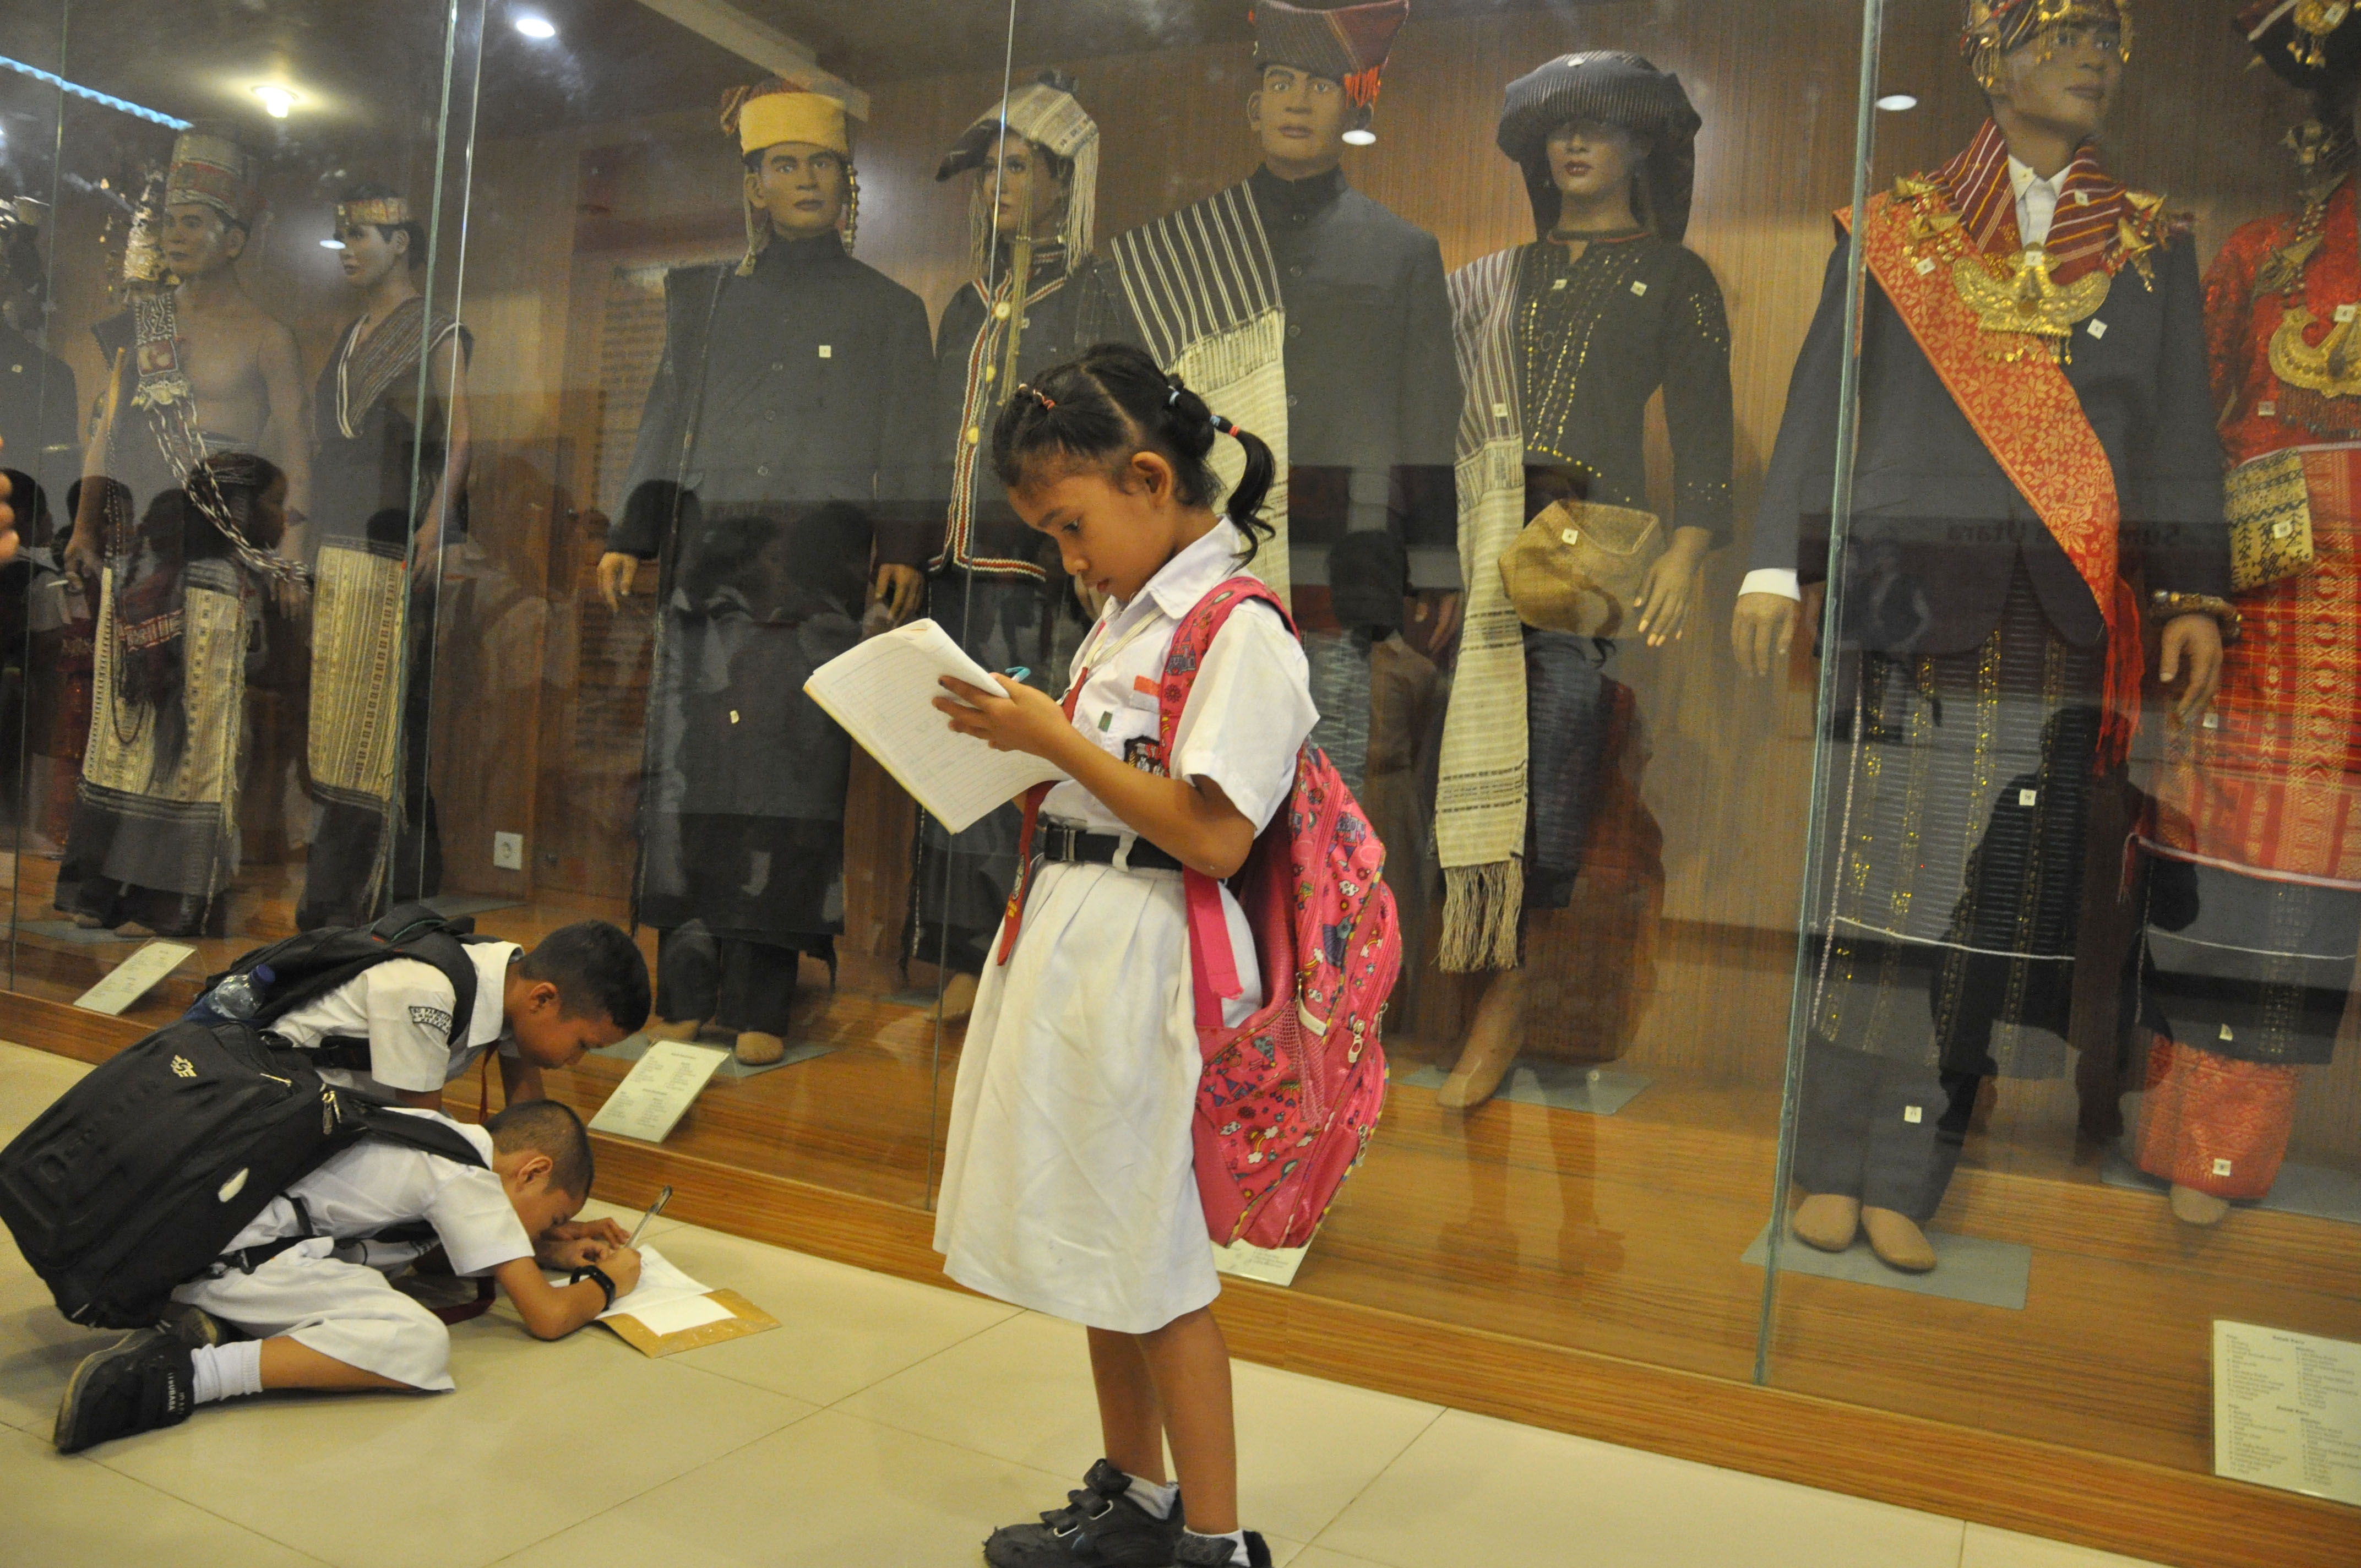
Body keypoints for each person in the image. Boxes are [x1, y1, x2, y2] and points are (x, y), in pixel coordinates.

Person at [1738, 0, 2231, 1272]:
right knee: (1867, 885)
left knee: (1992, 902)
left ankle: (1913, 1161)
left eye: (2109, 43)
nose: (2093, 59)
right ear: (1991, 59)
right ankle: (1825, 1154)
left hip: (2055, 620)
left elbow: (2176, 437)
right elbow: (1820, 406)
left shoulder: (2148, 243)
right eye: (2063, 34)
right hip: (1901, 606)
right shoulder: (1898, 225)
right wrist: (1768, 567)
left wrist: (2186, 595)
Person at [930, 342, 1315, 1568]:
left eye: (1070, 523)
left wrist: (1059, 739)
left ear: (1150, 478)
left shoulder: (1238, 626)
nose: (1068, 555)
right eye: (1049, 534)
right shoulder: (1123, 616)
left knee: (1153, 1248)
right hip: (1075, 927)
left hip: (1155, 953)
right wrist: (1023, 735)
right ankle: (1133, 1496)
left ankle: (1215, 1536)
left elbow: (1211, 831)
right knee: (1103, 1236)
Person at [597, 80, 934, 1065]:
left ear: (845, 182)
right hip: (705, 575)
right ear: (752, 184)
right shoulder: (702, 298)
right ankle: (686, 986)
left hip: (813, 585)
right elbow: (666, 420)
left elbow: (910, 447)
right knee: (689, 779)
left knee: (790, 784)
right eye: (782, 165)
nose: (802, 181)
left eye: (819, 165)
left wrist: (903, 550)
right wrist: (634, 531)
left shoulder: (887, 309)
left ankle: (762, 999)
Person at [1433, 50, 1731, 1106]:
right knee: (1446, 768)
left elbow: (1702, 433)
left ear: (1638, 145)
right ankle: (1447, 988)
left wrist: (1688, 552)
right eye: (1558, 129)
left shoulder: (1676, 277)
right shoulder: (1490, 280)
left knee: (1550, 787)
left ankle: (1509, 1001)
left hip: (1585, 559)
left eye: (1598, 128)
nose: (1573, 144)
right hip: (1469, 547)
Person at [2131, 2, 2361, 1224]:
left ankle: (2229, 1149)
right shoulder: (2260, 253)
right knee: (2214, 870)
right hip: (2257, 609)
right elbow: (2189, 433)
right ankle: (2170, 1119)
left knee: (2312, 891)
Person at [912, 69, 1140, 1021]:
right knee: (950, 758)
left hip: (1041, 573)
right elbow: (933, 429)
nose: (996, 185)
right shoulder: (967, 302)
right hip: (958, 567)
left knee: (1027, 764)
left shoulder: (1095, 294)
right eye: (987, 172)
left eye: (1016, 166)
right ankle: (957, 949)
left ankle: (1015, 941)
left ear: (1062, 181)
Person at [51, 1098, 638, 1453]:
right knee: (419, 1341)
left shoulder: (439, 1133)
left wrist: (545, 1252)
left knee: (395, 1300)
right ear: (533, 1170)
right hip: (235, 1258)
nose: (550, 1228)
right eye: (556, 1216)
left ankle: (223, 1325)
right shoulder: (467, 1176)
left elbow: (425, 1254)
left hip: (214, 1240)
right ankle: (188, 1375)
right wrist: (611, 1281)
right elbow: (547, 1316)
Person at [57, 129, 311, 938]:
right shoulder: (144, 325)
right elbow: (105, 429)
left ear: (235, 239)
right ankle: (106, 886)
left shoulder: (271, 335)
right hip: (139, 542)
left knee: (202, 718)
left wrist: (292, 553)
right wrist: (85, 523)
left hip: (219, 546)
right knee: (125, 716)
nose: (176, 234)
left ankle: (177, 893)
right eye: (169, 221)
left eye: (195, 222)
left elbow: (296, 444)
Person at [299, 185, 472, 929]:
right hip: (337, 537)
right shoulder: (345, 337)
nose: (348, 249)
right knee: (341, 715)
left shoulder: (437, 330)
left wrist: (438, 522)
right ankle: (384, 876)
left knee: (378, 714)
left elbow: (463, 432)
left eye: (363, 235)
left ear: (403, 241)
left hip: (395, 535)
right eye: (343, 236)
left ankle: (359, 892)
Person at [265, 918, 649, 1112]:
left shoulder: (514, 983)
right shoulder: (428, 993)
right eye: (583, 1044)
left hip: (346, 1108)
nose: (575, 1060)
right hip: (272, 1109)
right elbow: (423, 1144)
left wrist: (548, 1215)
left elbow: (530, 1121)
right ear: (543, 1000)